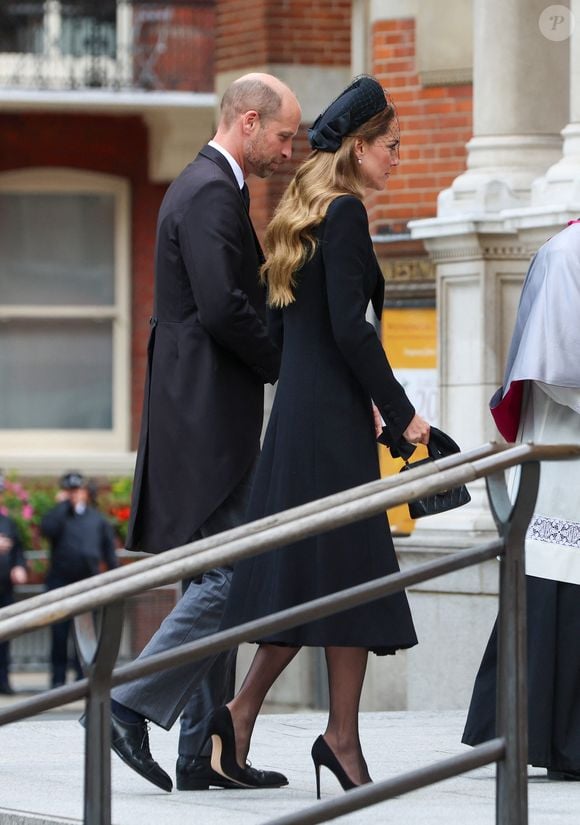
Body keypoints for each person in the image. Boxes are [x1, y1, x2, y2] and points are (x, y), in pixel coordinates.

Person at [202, 75, 430, 794]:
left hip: (302, 418)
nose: (398, 156)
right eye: (391, 146)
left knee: (319, 579)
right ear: (359, 147)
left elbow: (281, 332)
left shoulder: (300, 211)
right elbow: (350, 332)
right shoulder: (347, 215)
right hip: (329, 427)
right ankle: (331, 736)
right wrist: (402, 413)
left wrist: (334, 398)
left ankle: (255, 719)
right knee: (346, 576)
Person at [108, 73, 302, 793]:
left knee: (210, 576)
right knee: (234, 573)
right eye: (283, 136)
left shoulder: (205, 188)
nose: (287, 152)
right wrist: (291, 369)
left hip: (200, 414)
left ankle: (198, 754)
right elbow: (224, 310)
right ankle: (128, 700)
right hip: (205, 420)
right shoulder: (210, 193)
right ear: (248, 123)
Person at [462, 220, 580, 780]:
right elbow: (554, 370)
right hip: (563, 454)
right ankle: (546, 741)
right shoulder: (566, 255)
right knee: (555, 586)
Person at [43, 471, 118, 688]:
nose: (74, 495)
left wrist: (114, 578)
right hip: (60, 582)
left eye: (77, 490)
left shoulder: (96, 519)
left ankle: (82, 678)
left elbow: (108, 552)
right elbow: (47, 530)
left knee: (85, 634)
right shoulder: (58, 516)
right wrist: (61, 506)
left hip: (87, 583)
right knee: (59, 633)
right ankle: (57, 680)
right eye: (70, 491)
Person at [0, 471, 27, 695]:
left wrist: (19, 566)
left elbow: (18, 550)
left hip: (4, 590)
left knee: (5, 637)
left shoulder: (7, 522)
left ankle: (3, 681)